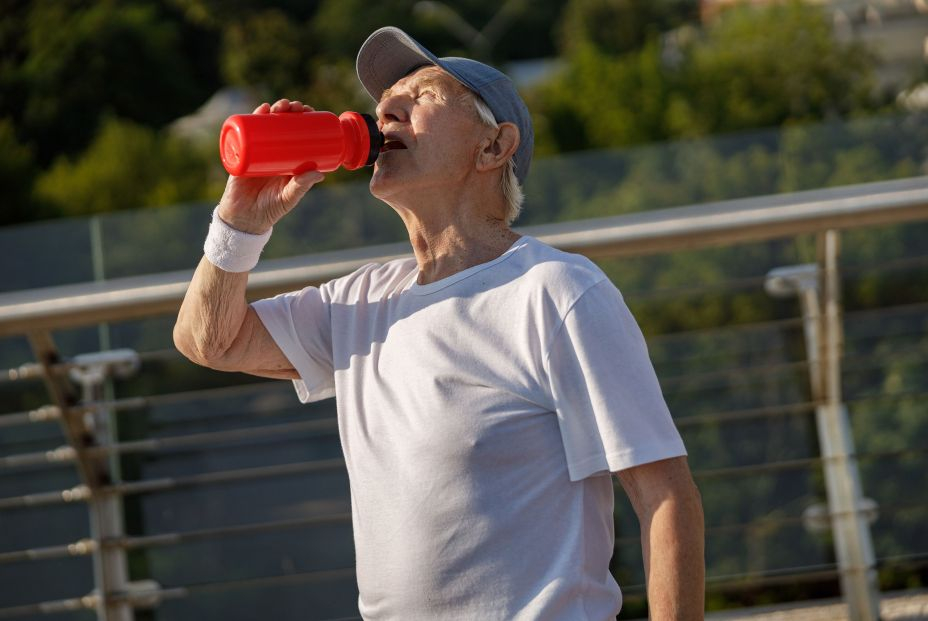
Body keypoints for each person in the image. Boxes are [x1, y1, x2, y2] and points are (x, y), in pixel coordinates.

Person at [174, 26, 704, 621]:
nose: (386, 109)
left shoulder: (555, 292)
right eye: (383, 103)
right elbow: (207, 341)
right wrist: (240, 220)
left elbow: (665, 495)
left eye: (421, 96)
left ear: (492, 147)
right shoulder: (361, 301)